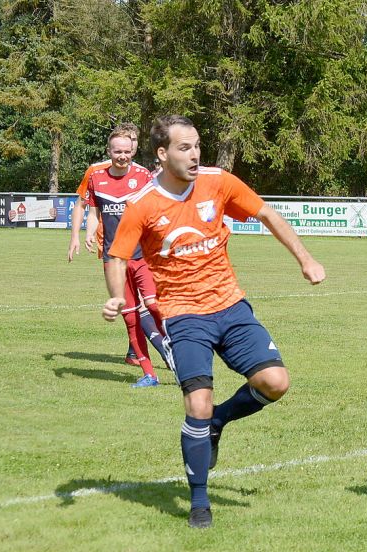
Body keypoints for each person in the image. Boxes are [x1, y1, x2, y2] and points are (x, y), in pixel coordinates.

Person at [102, 115, 326, 529]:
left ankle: (220, 421)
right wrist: (117, 296)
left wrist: (306, 258)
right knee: (197, 404)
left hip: (230, 305)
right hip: (184, 316)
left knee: (275, 383)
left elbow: (267, 214)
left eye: (197, 145)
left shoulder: (219, 182)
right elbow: (118, 255)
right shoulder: (143, 205)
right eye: (184, 147)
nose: (194, 154)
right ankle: (199, 502)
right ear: (162, 154)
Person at [85, 128, 169, 387]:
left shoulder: (143, 176)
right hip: (114, 260)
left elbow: (156, 210)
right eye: (117, 151)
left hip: (143, 255)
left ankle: (182, 352)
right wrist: (89, 233)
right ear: (109, 152)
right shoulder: (96, 178)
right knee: (131, 317)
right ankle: (149, 374)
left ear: (132, 150)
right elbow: (93, 212)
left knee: (155, 306)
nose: (122, 156)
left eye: (126, 151)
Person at [68, 122, 148, 367]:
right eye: (122, 145)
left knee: (148, 302)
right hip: (110, 246)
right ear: (110, 148)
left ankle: (142, 351)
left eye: (132, 143)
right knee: (128, 303)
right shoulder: (96, 172)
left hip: (139, 248)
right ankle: (137, 351)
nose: (128, 148)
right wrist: (78, 236)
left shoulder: (142, 173)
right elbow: (83, 205)